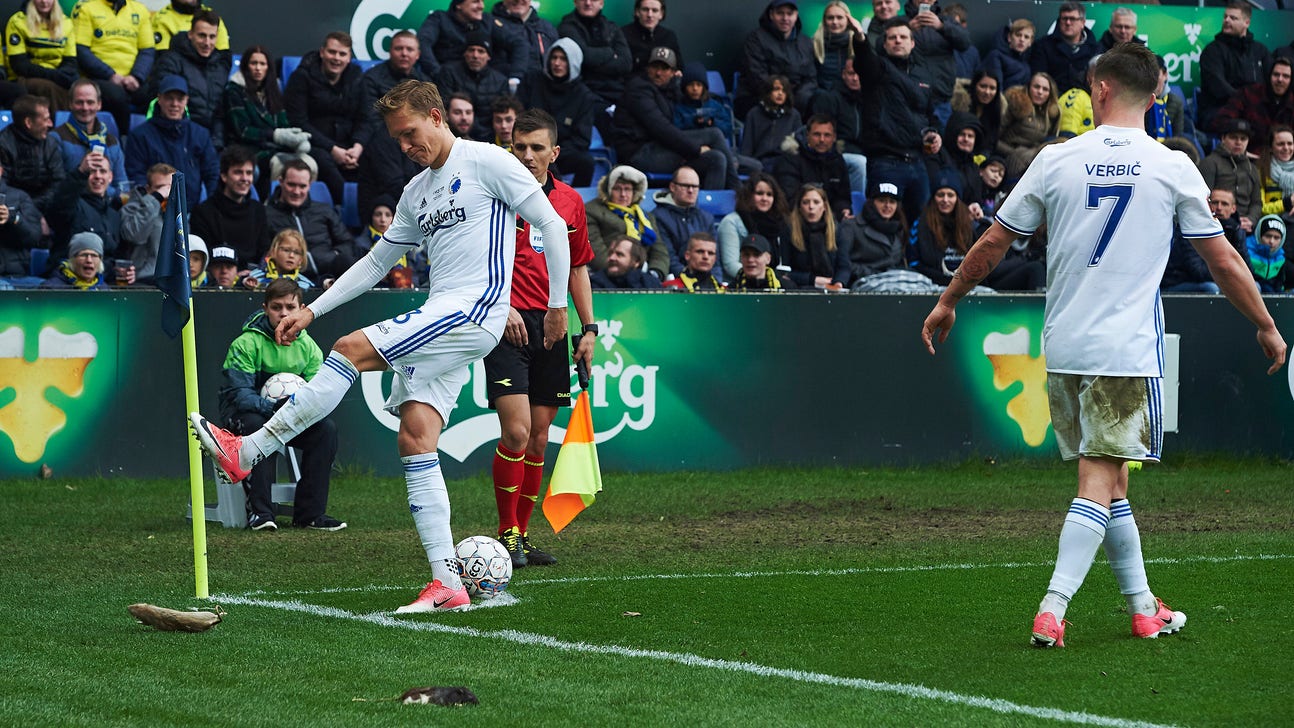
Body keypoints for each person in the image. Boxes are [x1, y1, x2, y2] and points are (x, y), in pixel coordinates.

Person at [920, 43, 1286, 649]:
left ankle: (1144, 607)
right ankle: (1053, 607)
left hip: (1062, 346)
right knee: (1099, 480)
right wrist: (1267, 324)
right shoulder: (1171, 165)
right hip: (1124, 350)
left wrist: (949, 299)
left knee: (1112, 483)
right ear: (1157, 93)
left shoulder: (1055, 158)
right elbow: (1220, 259)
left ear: (1099, 90)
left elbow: (993, 242)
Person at [190, 79, 573, 614]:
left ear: (437, 116)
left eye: (410, 133)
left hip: (475, 310)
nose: (405, 145)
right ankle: (447, 582)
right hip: (450, 314)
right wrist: (310, 309)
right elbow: (375, 263)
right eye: (396, 138)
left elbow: (553, 226)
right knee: (416, 438)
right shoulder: (417, 190)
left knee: (348, 348)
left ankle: (249, 450)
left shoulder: (488, 160)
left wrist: (558, 306)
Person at [485, 108, 595, 567]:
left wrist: (587, 327)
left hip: (553, 325)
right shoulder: (492, 197)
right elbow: (475, 259)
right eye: (519, 146)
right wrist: (498, 304)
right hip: (503, 321)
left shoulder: (570, 201)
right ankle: (506, 532)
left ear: (554, 152)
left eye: (536, 148)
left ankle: (523, 535)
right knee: (516, 431)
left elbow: (576, 267)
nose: (527, 156)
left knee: (539, 436)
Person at [217, 278, 344, 532]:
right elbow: (239, 394)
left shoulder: (309, 349)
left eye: (290, 307)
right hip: (243, 416)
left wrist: (289, 410)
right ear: (265, 308)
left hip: (287, 416)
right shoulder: (245, 344)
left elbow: (318, 395)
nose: (283, 313)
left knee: (325, 430)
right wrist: (275, 409)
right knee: (257, 425)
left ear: (302, 309)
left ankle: (309, 515)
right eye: (276, 307)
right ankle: (261, 513)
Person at [851, 16, 935, 226]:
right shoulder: (877, 69)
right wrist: (860, 38)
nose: (898, 40)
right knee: (882, 221)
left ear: (912, 42)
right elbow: (864, 60)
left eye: (903, 37)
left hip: (917, 162)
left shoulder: (923, 75)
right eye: (892, 38)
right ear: (885, 43)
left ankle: (912, 260)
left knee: (919, 223)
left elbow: (929, 114)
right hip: (886, 161)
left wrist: (935, 133)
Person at [613, 46, 732, 191]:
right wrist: (696, 149)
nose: (658, 73)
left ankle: (713, 208)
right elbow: (660, 128)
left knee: (717, 157)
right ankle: (738, 194)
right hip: (639, 153)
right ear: (647, 68)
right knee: (714, 141)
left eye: (664, 69)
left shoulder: (669, 90)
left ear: (673, 72)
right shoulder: (638, 89)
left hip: (660, 148)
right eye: (654, 67)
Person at [914, 172, 1043, 291]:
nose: (945, 200)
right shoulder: (922, 224)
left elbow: (984, 262)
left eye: (950, 195)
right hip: (941, 282)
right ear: (933, 198)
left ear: (957, 198)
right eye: (940, 195)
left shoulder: (970, 224)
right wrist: (953, 281)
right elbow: (916, 263)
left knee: (1035, 268)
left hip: (976, 282)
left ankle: (1039, 315)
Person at [284, 32, 366, 206]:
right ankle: (347, 216)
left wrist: (358, 147)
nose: (336, 58)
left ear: (349, 57)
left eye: (342, 54)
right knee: (329, 168)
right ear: (322, 52)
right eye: (332, 52)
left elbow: (366, 117)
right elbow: (298, 121)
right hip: (315, 144)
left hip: (350, 146)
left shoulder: (357, 76)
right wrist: (332, 149)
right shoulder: (301, 76)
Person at [223, 45, 310, 200]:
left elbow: (283, 122)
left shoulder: (273, 89)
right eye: (253, 63)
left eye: (262, 64)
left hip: (275, 147)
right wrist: (275, 135)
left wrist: (294, 138)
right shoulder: (234, 90)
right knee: (278, 164)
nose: (258, 68)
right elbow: (242, 131)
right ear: (245, 66)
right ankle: (274, 205)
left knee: (310, 163)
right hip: (249, 150)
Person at [124, 75, 218, 209]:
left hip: (191, 210)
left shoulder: (200, 134)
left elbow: (212, 173)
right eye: (169, 98)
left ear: (187, 101)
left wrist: (211, 207)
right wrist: (151, 203)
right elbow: (136, 175)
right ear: (159, 99)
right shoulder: (140, 135)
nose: (174, 104)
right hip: (154, 211)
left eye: (180, 99)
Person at [518, 38, 597, 187]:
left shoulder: (584, 96)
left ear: (573, 62)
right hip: (530, 147)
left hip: (561, 152)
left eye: (563, 59)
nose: (557, 63)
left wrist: (551, 153)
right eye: (554, 57)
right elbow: (518, 116)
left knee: (586, 162)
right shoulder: (532, 80)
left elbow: (582, 139)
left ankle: (575, 199)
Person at [72, 0, 155, 135]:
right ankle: (123, 140)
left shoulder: (140, 10)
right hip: (100, 78)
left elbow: (147, 51)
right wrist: (110, 75)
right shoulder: (87, 9)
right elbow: (81, 51)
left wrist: (136, 77)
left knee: (159, 92)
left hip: (133, 79)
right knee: (117, 96)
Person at [264, 158, 355, 279]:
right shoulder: (266, 214)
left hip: (330, 278)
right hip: (287, 282)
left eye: (302, 186)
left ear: (310, 185)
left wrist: (334, 255)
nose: (297, 191)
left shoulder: (324, 210)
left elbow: (347, 243)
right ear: (280, 181)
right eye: (291, 185)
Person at [151, 9, 230, 141]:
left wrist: (217, 141)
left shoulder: (220, 65)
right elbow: (166, 103)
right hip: (180, 136)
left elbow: (221, 112)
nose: (207, 43)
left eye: (212, 37)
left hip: (215, 139)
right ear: (190, 34)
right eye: (202, 36)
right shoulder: (171, 61)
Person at [191, 144, 272, 273]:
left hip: (253, 278)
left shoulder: (258, 210)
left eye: (249, 173)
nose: (245, 178)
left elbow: (264, 252)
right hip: (218, 279)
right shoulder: (203, 212)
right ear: (224, 176)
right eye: (238, 172)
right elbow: (202, 258)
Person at [1197, 0, 1271, 133]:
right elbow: (1218, 87)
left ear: (1247, 23)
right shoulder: (1212, 51)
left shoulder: (1260, 51)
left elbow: (1271, 83)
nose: (1227, 20)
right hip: (1220, 109)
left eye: (1233, 18)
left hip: (1256, 110)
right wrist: (1247, 104)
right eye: (1225, 16)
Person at [734, 0, 816, 120]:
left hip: (797, 101)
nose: (785, 18)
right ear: (771, 15)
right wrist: (782, 96)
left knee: (820, 100)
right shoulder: (755, 39)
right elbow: (756, 76)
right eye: (780, 13)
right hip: (760, 97)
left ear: (796, 15)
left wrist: (799, 98)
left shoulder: (806, 43)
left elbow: (811, 78)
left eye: (789, 14)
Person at [585, 164, 667, 279]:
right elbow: (595, 251)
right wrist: (620, 274)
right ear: (608, 190)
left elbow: (659, 250)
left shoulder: (646, 217)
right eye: (617, 188)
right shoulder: (591, 211)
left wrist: (655, 273)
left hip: (643, 276)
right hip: (609, 275)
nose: (623, 194)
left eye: (627, 189)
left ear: (635, 192)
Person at [55, 79, 128, 200]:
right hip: (73, 208)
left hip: (108, 208)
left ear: (99, 104)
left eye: (90, 102)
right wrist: (81, 171)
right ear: (70, 104)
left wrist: (106, 192)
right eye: (79, 102)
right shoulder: (57, 138)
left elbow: (122, 185)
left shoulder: (111, 141)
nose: (85, 107)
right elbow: (57, 187)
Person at [49, 146, 121, 267]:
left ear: (111, 177)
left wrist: (120, 271)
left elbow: (113, 256)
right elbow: (61, 204)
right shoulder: (72, 204)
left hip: (103, 282)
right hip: (68, 280)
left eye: (103, 171)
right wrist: (80, 172)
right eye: (92, 171)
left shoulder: (114, 214)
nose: (98, 176)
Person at [558, 0, 633, 113]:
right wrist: (610, 52)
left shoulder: (612, 28)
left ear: (601, 3)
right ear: (575, 2)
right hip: (584, 92)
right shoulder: (567, 27)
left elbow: (626, 63)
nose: (588, 3)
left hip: (617, 92)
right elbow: (584, 57)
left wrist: (592, 61)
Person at [1210, 56, 1294, 154]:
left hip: (1284, 160)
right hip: (1248, 158)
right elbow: (1220, 121)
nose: (1280, 79)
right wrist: (1243, 134)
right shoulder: (1247, 94)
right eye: (1276, 74)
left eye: (1286, 76)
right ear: (1269, 76)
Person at [4, 0, 78, 111]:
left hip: (57, 74)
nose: (44, 2)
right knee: (49, 88)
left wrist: (62, 75)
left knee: (82, 89)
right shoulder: (18, 21)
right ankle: (57, 125)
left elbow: (70, 61)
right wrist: (55, 76)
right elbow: (19, 65)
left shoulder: (66, 22)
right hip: (26, 77)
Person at [774, 115, 851, 220]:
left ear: (834, 138)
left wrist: (843, 210)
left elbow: (842, 197)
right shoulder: (790, 159)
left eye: (827, 135)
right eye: (817, 134)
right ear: (807, 135)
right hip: (798, 219)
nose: (822, 140)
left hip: (831, 219)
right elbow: (789, 199)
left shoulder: (837, 160)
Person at [809, 58, 868, 195]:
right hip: (837, 152)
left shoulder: (869, 100)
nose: (855, 78)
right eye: (851, 73)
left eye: (860, 74)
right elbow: (821, 133)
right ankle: (855, 207)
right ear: (843, 75)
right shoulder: (829, 98)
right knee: (860, 163)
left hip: (864, 152)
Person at [438, 31, 509, 142]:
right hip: (454, 138)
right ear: (465, 53)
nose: (475, 55)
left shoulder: (501, 81)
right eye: (471, 50)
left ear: (489, 56)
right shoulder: (449, 73)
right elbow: (443, 108)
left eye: (481, 51)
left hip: (489, 140)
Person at [717, 171, 788, 279]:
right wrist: (763, 278)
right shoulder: (731, 222)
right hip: (740, 285)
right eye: (759, 193)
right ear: (749, 195)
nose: (764, 198)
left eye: (769, 194)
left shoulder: (778, 223)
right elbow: (730, 265)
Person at [0, 94, 62, 217]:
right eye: (45, 119)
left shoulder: (50, 143)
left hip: (46, 208)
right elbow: (2, 188)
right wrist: (27, 210)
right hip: (12, 212)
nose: (50, 124)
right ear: (28, 122)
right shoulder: (3, 144)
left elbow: (58, 183)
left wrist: (36, 211)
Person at [1199, 118, 1261, 235]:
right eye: (1233, 137)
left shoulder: (1252, 168)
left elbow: (1257, 202)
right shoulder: (1210, 163)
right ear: (1223, 138)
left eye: (1243, 139)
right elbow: (1203, 199)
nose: (1238, 142)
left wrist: (1251, 220)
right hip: (1217, 225)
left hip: (1246, 227)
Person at [651, 166, 716, 278]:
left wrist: (715, 281)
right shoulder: (658, 217)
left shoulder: (707, 218)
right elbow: (669, 258)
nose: (691, 190)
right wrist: (690, 281)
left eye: (695, 186)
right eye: (685, 186)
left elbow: (716, 259)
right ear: (672, 187)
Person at [783, 184, 849, 290]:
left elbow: (844, 266)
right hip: (799, 288)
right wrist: (813, 280)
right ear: (799, 207)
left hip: (832, 288)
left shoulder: (837, 230)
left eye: (816, 202)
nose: (811, 207)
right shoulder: (789, 231)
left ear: (824, 207)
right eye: (805, 202)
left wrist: (838, 284)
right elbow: (785, 273)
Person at [841, 179, 906, 284]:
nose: (887, 206)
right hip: (862, 284)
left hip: (894, 283)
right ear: (871, 203)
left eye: (892, 202)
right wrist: (873, 274)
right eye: (882, 200)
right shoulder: (851, 226)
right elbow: (843, 263)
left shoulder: (899, 228)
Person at [119, 162, 174, 283]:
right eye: (160, 187)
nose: (166, 192)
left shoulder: (177, 211)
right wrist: (156, 198)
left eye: (170, 187)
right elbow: (134, 235)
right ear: (148, 189)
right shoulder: (132, 207)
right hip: (143, 280)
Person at [997, 72, 1059, 180]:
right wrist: (1014, 153)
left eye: (1045, 89)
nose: (1040, 92)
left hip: (1032, 157)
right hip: (1011, 156)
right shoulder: (1016, 105)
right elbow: (995, 137)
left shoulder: (1050, 114)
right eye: (1036, 87)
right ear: (1029, 87)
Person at [1030, 2, 1099, 96]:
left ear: (1083, 22)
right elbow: (1038, 79)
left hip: (1085, 104)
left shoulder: (1095, 49)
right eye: (1064, 18)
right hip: (1052, 101)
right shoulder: (1043, 46)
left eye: (1072, 19)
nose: (1068, 23)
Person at [355, 194, 422, 289]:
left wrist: (411, 284)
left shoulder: (406, 242)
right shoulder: (360, 245)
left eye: (387, 215)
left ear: (393, 218)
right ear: (371, 217)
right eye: (378, 214)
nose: (382, 219)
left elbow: (416, 273)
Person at [738, 75, 801, 173]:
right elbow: (747, 148)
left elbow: (798, 146)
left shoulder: (794, 115)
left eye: (784, 91)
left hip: (785, 161)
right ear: (768, 92)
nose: (780, 94)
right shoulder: (754, 114)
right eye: (776, 89)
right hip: (760, 162)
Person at [489, 0, 557, 85]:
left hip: (542, 91)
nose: (518, 0)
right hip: (506, 91)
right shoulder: (491, 25)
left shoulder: (546, 27)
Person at [0, 161, 44, 282]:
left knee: (48, 290)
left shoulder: (19, 197)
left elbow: (34, 237)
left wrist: (13, 219)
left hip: (16, 275)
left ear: (1, 171)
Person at [245, 228, 315, 290]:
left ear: (301, 260)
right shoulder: (253, 278)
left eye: (296, 252)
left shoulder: (306, 285)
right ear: (273, 252)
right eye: (286, 250)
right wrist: (245, 283)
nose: (291, 255)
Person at [622, 0, 679, 75]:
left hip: (663, 84)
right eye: (645, 10)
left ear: (661, 14)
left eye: (655, 10)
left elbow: (678, 66)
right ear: (637, 12)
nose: (649, 15)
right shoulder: (623, 34)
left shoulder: (668, 36)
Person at [151, 0, 229, 54]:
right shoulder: (161, 19)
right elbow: (163, 58)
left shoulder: (212, 17)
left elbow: (223, 55)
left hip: (211, 72)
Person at [812, 1, 856, 94]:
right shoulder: (814, 44)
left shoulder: (857, 43)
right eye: (830, 18)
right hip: (823, 97)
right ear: (824, 21)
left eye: (839, 17)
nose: (835, 22)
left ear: (848, 20)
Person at [41, 231, 110, 289]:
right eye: (83, 255)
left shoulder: (104, 289)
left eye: (94, 256)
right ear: (72, 259)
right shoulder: (50, 289)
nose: (89, 260)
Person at [981, 19, 1034, 94]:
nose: (1022, 39)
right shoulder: (996, 56)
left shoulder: (1026, 64)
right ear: (1009, 37)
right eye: (1018, 35)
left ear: (1030, 43)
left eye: (1026, 37)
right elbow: (996, 90)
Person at [588, 235, 661, 289]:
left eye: (619, 254)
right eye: (610, 253)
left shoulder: (651, 284)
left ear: (636, 261)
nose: (612, 258)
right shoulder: (595, 283)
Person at [728, 233, 793, 291]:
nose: (750, 260)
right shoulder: (731, 290)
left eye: (756, 255)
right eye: (746, 255)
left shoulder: (785, 288)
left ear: (768, 258)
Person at [1258, 125, 1294, 218]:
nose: (1286, 148)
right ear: (1270, 147)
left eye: (1290, 143)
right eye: (1280, 144)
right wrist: (1287, 203)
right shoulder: (1261, 171)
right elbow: (1260, 208)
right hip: (1270, 223)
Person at [1248, 214, 1289, 292]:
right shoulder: (1246, 251)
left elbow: (1279, 284)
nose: (1271, 241)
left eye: (1276, 238)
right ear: (1259, 235)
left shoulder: (1281, 257)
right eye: (1268, 236)